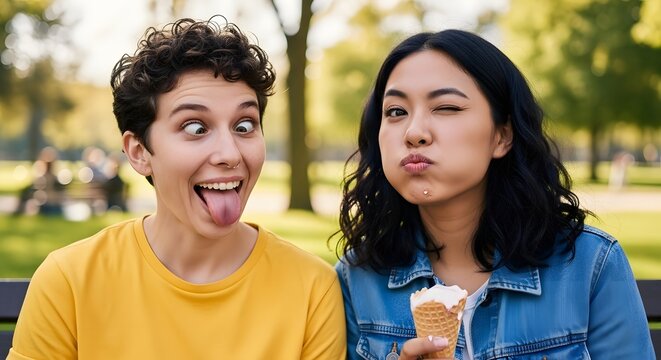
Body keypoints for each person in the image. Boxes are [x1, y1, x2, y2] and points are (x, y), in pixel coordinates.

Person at [9, 16, 346, 359]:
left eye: (244, 125)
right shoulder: (69, 281)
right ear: (139, 152)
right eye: (196, 128)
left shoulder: (312, 289)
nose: (230, 154)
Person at [333, 30, 655, 359]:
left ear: (502, 136)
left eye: (446, 107)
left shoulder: (590, 265)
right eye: (396, 112)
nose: (414, 132)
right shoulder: (357, 278)